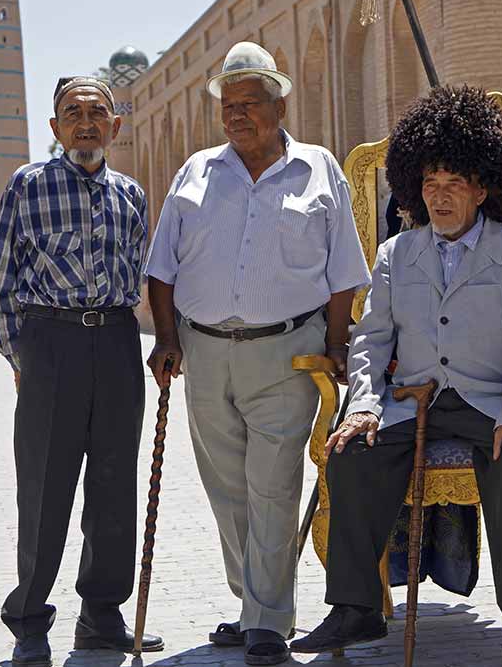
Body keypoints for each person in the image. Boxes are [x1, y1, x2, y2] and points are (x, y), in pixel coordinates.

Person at [291, 86, 502, 667]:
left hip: (491, 402)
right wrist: (362, 404)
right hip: (413, 403)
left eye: (454, 183)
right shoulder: (395, 253)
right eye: (430, 184)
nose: (440, 196)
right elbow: (372, 338)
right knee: (351, 454)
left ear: (483, 189)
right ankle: (356, 609)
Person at [143, 41, 371, 667]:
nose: (237, 116)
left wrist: (333, 346)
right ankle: (254, 606)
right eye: (228, 106)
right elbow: (160, 268)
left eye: (249, 104)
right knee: (228, 490)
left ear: (279, 103)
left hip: (287, 354)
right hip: (206, 353)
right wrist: (166, 338)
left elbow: (345, 273)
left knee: (271, 485)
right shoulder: (195, 173)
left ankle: (268, 623)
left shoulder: (319, 168)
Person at [0, 75, 162, 667]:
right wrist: (23, 357)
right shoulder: (27, 186)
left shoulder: (132, 195)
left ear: (115, 126)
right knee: (44, 488)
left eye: (97, 112)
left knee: (114, 487)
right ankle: (30, 621)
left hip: (114, 342)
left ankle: (101, 616)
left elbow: (137, 271)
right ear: (55, 127)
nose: (85, 122)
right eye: (71, 112)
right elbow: (1, 282)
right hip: (50, 346)